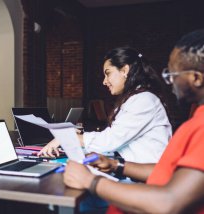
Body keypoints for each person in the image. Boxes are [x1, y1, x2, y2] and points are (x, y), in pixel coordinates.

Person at [64, 29, 204, 213]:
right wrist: (116, 165)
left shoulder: (198, 125)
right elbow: (167, 170)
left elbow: (169, 203)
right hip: (143, 191)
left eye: (172, 75)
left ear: (196, 78)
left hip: (146, 199)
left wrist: (90, 181)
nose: (169, 82)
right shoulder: (196, 118)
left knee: (79, 202)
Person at [39, 47, 172, 164]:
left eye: (108, 73)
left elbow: (109, 141)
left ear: (125, 70)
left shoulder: (144, 100)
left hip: (147, 179)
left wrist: (67, 137)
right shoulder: (136, 98)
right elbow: (114, 138)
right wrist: (80, 137)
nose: (104, 81)